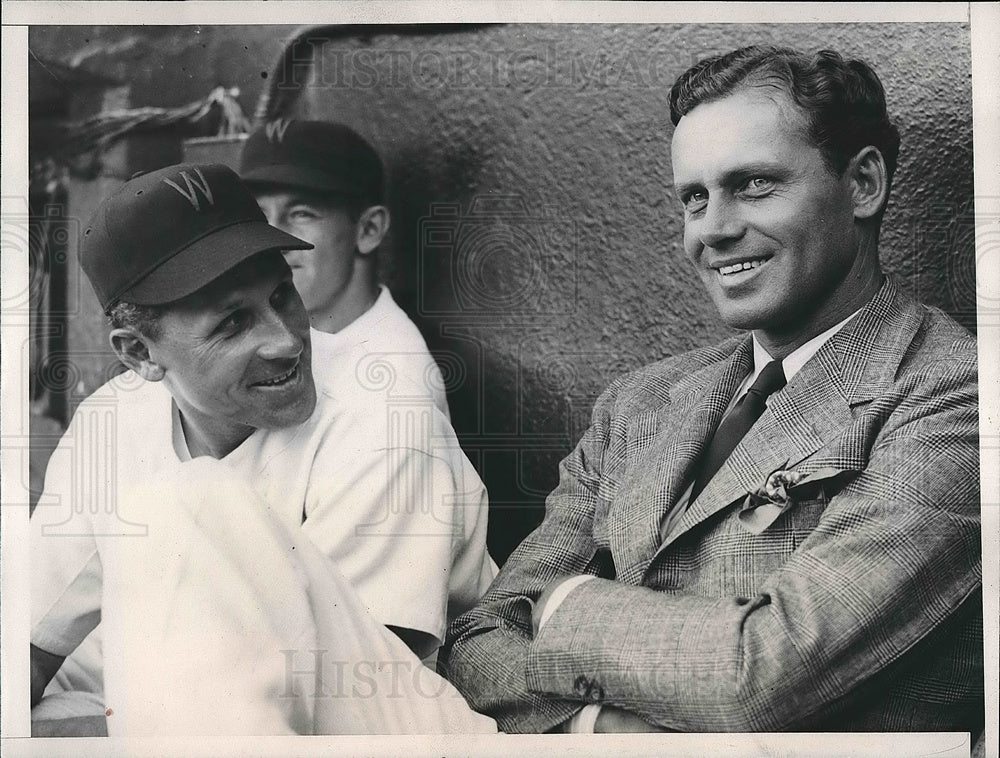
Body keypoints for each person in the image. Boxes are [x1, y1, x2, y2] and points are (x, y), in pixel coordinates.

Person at [442, 46, 983, 734]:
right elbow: (479, 639)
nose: (714, 230)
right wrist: (597, 728)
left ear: (863, 184)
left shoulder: (956, 394)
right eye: (694, 198)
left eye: (754, 184)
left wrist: (564, 604)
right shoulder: (638, 404)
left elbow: (762, 676)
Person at [30, 163, 495, 735]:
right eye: (232, 323)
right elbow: (30, 642)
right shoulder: (112, 421)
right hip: (191, 710)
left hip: (390, 719)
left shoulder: (387, 418)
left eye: (282, 294)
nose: (284, 340)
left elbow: (348, 697)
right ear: (139, 354)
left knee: (188, 500)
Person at [238, 118, 451, 419]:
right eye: (260, 216)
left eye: (301, 214)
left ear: (368, 230)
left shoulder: (394, 384)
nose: (272, 239)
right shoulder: (286, 337)